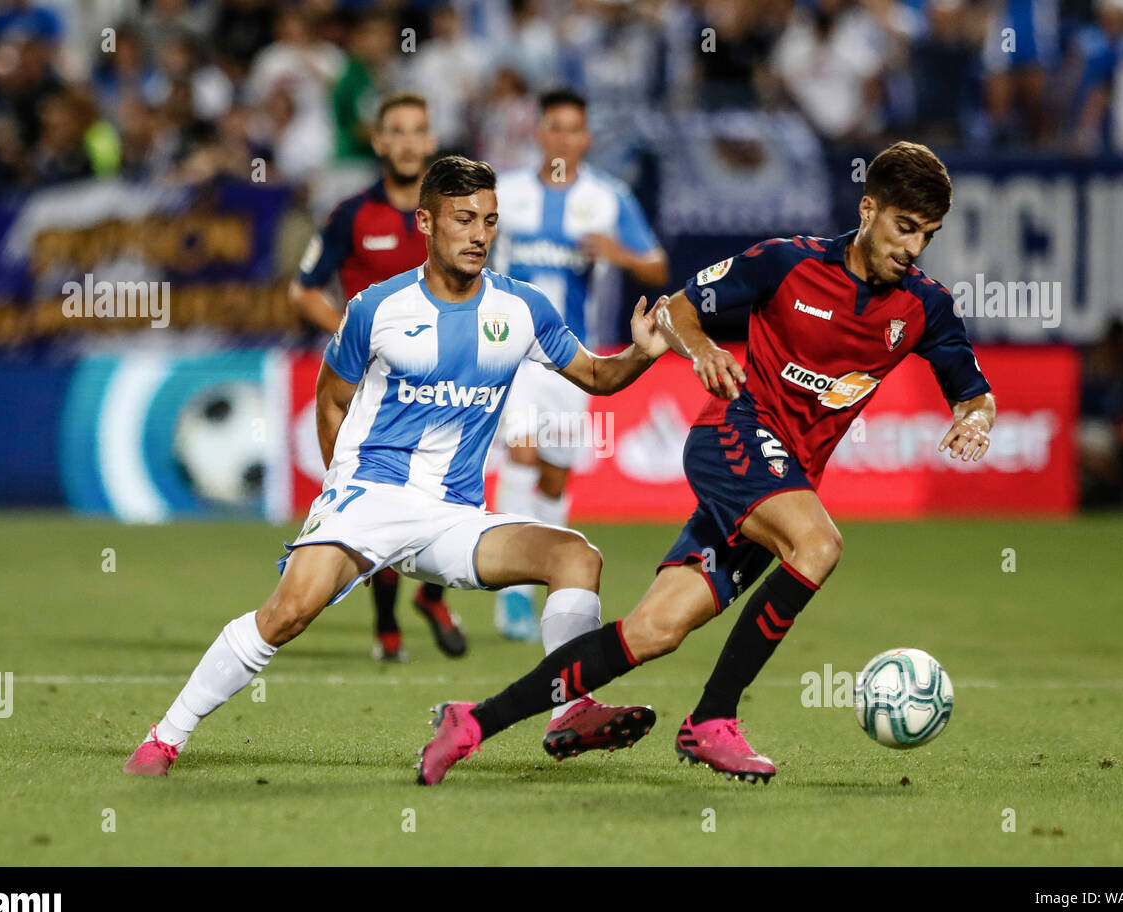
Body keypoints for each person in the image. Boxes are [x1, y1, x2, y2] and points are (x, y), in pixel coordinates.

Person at [416, 142, 997, 786]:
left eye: (927, 235)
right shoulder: (787, 264)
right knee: (819, 544)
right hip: (735, 437)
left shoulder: (925, 307)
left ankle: (472, 722)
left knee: (654, 630)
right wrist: (701, 352)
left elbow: (972, 390)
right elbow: (678, 308)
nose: (914, 248)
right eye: (904, 227)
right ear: (868, 209)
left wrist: (976, 415)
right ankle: (713, 720)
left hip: (784, 481)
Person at [125, 156, 671, 777]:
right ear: (427, 222)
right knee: (288, 613)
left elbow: (598, 376)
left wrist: (643, 352)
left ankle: (569, 709)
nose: (478, 235)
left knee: (577, 556)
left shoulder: (523, 308)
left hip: (452, 517)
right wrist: (339, 494)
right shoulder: (376, 309)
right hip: (369, 500)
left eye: (489, 221)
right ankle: (166, 737)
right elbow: (331, 401)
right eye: (463, 219)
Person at [290, 92, 465, 662]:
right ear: (379, 142)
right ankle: (388, 626)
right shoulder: (350, 215)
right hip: (371, 383)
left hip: (445, 377)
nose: (410, 141)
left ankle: (433, 597)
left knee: (449, 489)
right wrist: (354, 329)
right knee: (380, 494)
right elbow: (303, 289)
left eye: (420, 129)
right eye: (398, 130)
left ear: (431, 140)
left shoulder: (452, 212)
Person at [491, 88, 667, 641]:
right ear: (539, 133)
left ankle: (548, 574)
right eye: (555, 127)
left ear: (586, 138)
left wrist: (621, 255)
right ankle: (512, 597)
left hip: (573, 359)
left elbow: (658, 267)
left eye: (574, 129)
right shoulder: (506, 191)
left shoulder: (608, 198)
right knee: (521, 455)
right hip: (510, 351)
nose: (564, 138)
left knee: (554, 471)